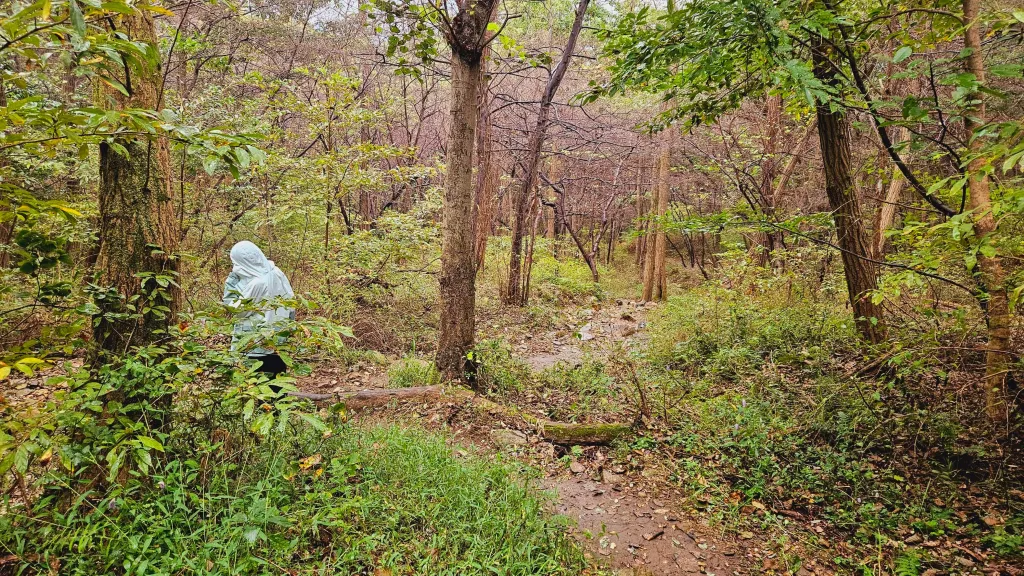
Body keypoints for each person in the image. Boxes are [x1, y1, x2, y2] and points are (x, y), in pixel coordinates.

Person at [223, 241, 296, 384]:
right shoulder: (276, 272)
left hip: (256, 342)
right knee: (277, 381)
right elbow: (291, 301)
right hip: (279, 336)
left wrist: (231, 284)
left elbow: (238, 311)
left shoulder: (257, 283)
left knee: (260, 384)